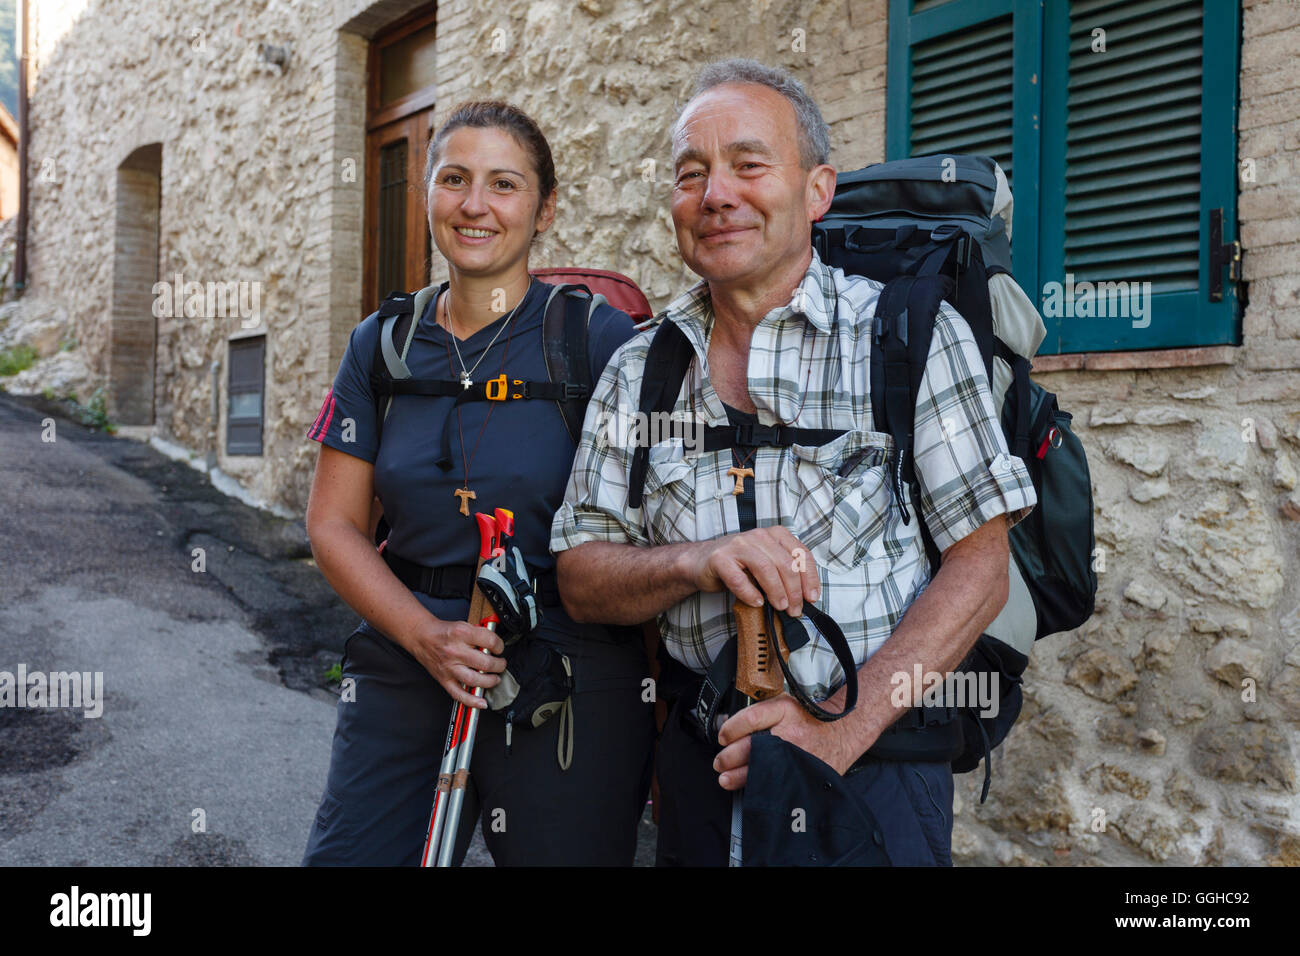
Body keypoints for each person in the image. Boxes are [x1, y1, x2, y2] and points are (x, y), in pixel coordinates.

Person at [551, 60, 1037, 866]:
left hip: (874, 768)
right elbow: (581, 576)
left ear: (817, 191)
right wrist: (699, 561)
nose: (715, 196)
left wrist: (835, 732)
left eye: (749, 165)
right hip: (705, 765)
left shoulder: (908, 336)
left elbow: (981, 568)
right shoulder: (639, 371)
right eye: (691, 175)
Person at [301, 101, 654, 866]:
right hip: (405, 648)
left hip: (567, 662)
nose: (474, 205)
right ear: (429, 194)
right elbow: (333, 525)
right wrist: (424, 636)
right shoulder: (382, 342)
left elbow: (650, 520)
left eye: (504, 184)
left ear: (544, 208)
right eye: (454, 179)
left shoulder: (594, 340)